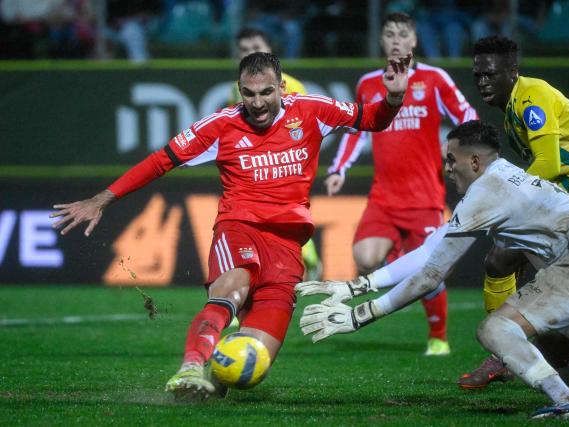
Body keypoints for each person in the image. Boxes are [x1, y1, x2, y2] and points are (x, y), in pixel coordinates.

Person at [50, 51, 410, 400]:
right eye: (248, 93)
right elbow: (160, 161)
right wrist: (102, 199)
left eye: (266, 92)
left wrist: (394, 97)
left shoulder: (312, 111)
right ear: (240, 90)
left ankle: (213, 373)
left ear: (282, 88)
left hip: (286, 249)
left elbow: (372, 119)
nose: (257, 103)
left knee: (251, 368)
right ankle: (191, 367)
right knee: (231, 290)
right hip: (240, 228)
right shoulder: (221, 125)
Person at [296, 120, 569, 419]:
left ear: (474, 161)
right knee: (545, 363)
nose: (447, 168)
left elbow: (431, 274)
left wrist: (361, 316)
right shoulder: (507, 178)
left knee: (495, 330)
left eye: (451, 159)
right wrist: (357, 286)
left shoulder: (485, 192)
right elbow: (429, 251)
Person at [459, 35, 569, 388]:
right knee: (500, 260)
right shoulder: (512, 112)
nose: (482, 82)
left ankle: (507, 356)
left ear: (513, 71)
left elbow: (550, 163)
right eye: (478, 75)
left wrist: (503, 195)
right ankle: (507, 351)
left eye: (490, 75)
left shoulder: (531, 97)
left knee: (557, 279)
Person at [325, 12, 477, 356]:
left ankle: (438, 337)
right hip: (383, 197)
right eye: (389, 34)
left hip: (424, 197)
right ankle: (402, 261)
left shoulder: (434, 79)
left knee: (427, 272)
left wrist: (453, 146)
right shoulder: (368, 83)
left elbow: (468, 116)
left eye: (402, 33)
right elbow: (356, 131)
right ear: (382, 42)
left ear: (414, 41)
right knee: (364, 258)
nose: (396, 39)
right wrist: (339, 169)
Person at [228, 27, 321, 281]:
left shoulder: (291, 85)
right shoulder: (236, 89)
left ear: (270, 49)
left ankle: (304, 252)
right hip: (257, 166)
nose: (251, 53)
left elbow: (302, 127)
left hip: (284, 166)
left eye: (256, 47)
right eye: (245, 50)